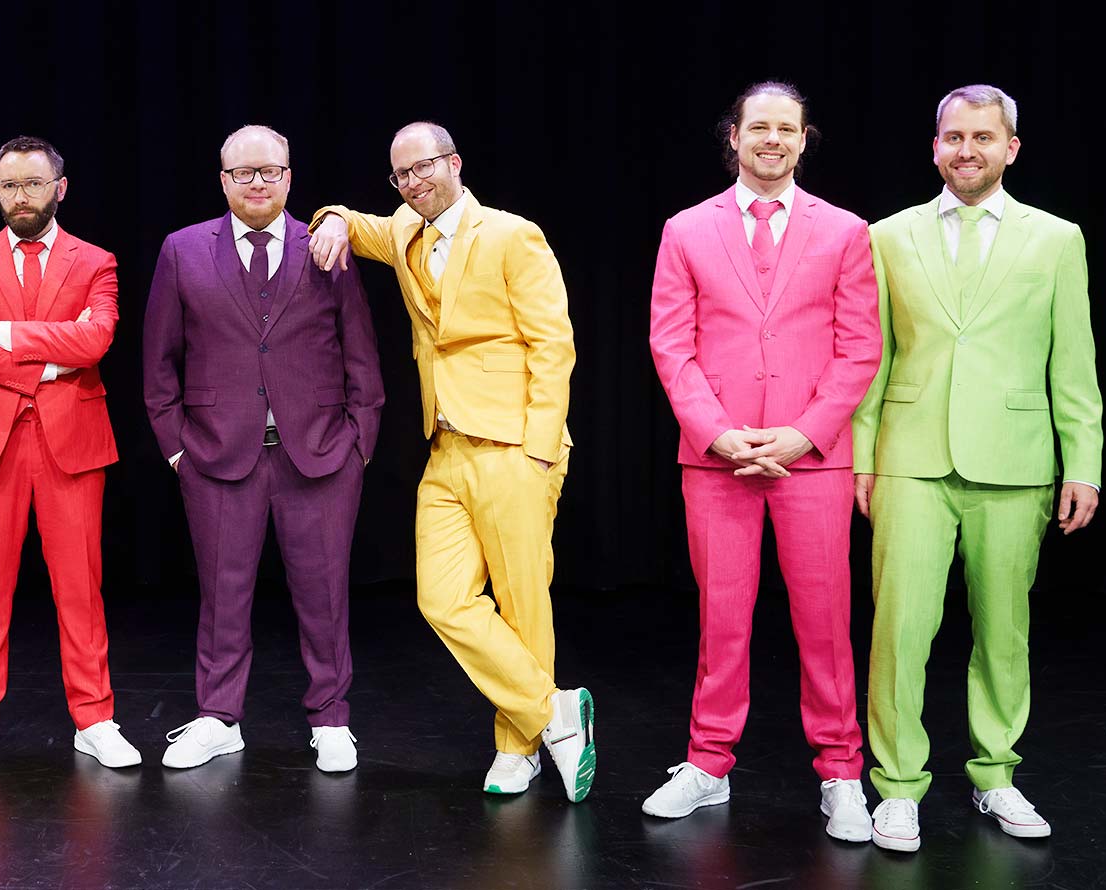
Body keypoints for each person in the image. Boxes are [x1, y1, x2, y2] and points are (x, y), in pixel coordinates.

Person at [308, 121, 595, 800]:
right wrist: (331, 219)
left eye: (425, 167)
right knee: (440, 598)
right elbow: (352, 221)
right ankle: (554, 712)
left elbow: (553, 345)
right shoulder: (404, 231)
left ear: (455, 163)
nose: (414, 182)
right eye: (401, 175)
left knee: (522, 605)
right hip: (445, 447)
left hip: (513, 444)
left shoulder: (512, 235)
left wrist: (539, 447)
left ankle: (517, 749)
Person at [852, 84, 1103, 852]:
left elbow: (1074, 362)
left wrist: (1083, 463)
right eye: (954, 137)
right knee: (899, 631)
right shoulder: (886, 236)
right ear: (935, 147)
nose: (968, 150)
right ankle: (898, 786)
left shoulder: (1056, 239)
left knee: (1003, 632)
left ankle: (995, 773)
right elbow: (872, 357)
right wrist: (861, 457)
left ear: (1010, 148)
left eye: (983, 137)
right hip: (909, 458)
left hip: (1016, 460)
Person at [643, 82, 880, 840]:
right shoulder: (686, 230)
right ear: (734, 137)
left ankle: (842, 772)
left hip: (812, 462)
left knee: (826, 624)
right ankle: (708, 764)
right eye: (759, 127)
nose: (772, 139)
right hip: (719, 461)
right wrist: (717, 433)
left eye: (787, 128)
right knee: (721, 620)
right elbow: (670, 345)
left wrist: (805, 434)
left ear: (804, 140)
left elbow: (860, 348)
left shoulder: (845, 231)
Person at [141, 125, 383, 773]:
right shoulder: (183, 250)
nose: (257, 183)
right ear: (223, 181)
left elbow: (360, 351)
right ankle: (219, 717)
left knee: (325, 593)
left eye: (269, 172)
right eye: (243, 173)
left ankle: (331, 716)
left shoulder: (326, 246)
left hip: (321, 455)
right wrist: (176, 450)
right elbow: (160, 361)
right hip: (216, 456)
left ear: (289, 177)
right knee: (222, 595)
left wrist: (359, 443)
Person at [0, 136, 141, 772]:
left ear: (60, 188)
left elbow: (96, 340)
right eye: (9, 186)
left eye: (33, 184)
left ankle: (95, 717)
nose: (21, 197)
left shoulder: (96, 262)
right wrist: (49, 360)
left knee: (80, 588)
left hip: (71, 444)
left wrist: (8, 337)